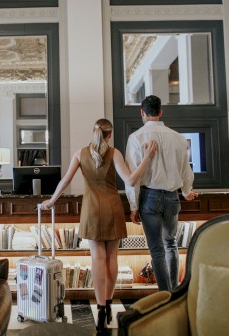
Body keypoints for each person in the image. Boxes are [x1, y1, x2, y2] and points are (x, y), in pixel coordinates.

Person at [41, 118, 157, 333]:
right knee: (112, 258)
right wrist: (147, 158)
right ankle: (109, 303)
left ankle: (101, 309)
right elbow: (130, 181)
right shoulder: (115, 153)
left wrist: (52, 200)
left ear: (94, 131)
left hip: (91, 209)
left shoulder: (80, 153)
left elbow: (65, 180)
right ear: (110, 134)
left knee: (97, 258)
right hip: (112, 207)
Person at [125, 95, 197, 292]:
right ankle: (174, 291)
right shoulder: (179, 138)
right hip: (172, 196)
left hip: (149, 197)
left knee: (156, 249)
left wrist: (133, 206)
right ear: (160, 112)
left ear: (142, 112)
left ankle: (164, 293)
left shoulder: (136, 138)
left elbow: (133, 177)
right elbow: (186, 171)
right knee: (171, 244)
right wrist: (187, 192)